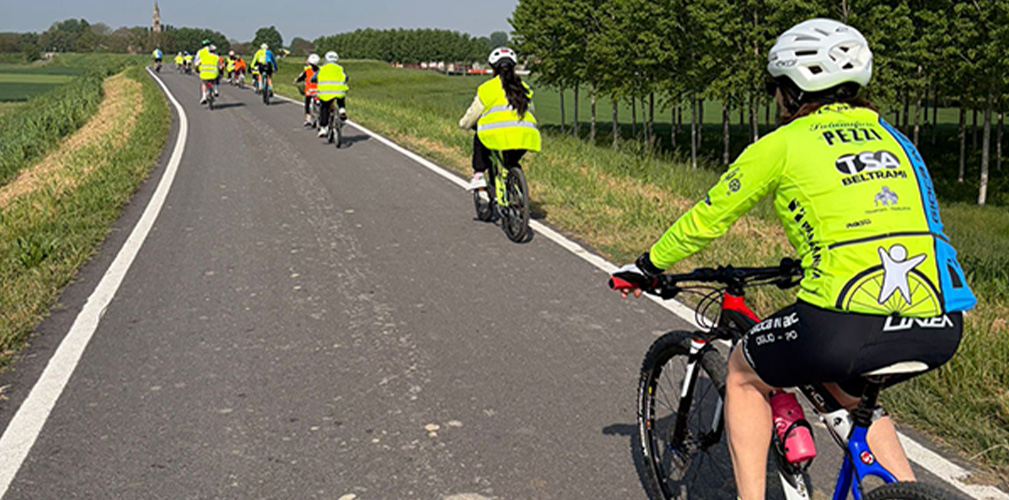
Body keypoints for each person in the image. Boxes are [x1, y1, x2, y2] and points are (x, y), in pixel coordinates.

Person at [609, 19, 975, 500]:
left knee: (742, 371)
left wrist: (648, 265)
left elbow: (709, 217)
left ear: (791, 89)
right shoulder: (896, 140)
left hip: (844, 325)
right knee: (852, 398)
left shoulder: (783, 143)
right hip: (940, 321)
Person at [458, 47, 541, 191]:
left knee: (480, 136)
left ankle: (478, 175)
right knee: (511, 162)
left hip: (495, 135)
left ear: (492, 68)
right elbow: (531, 111)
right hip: (526, 136)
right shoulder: (523, 88)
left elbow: (473, 114)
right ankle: (515, 189)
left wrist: (463, 124)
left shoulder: (488, 88)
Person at [313, 51, 348, 138]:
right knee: (341, 95)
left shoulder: (322, 69)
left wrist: (314, 80)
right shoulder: (340, 68)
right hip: (338, 91)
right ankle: (342, 109)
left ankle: (324, 128)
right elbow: (346, 77)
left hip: (325, 93)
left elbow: (313, 78)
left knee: (324, 107)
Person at [294, 53, 321, 127]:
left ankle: (308, 117)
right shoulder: (320, 70)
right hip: (319, 90)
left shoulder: (307, 70)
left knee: (307, 103)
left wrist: (296, 80)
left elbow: (301, 77)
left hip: (309, 90)